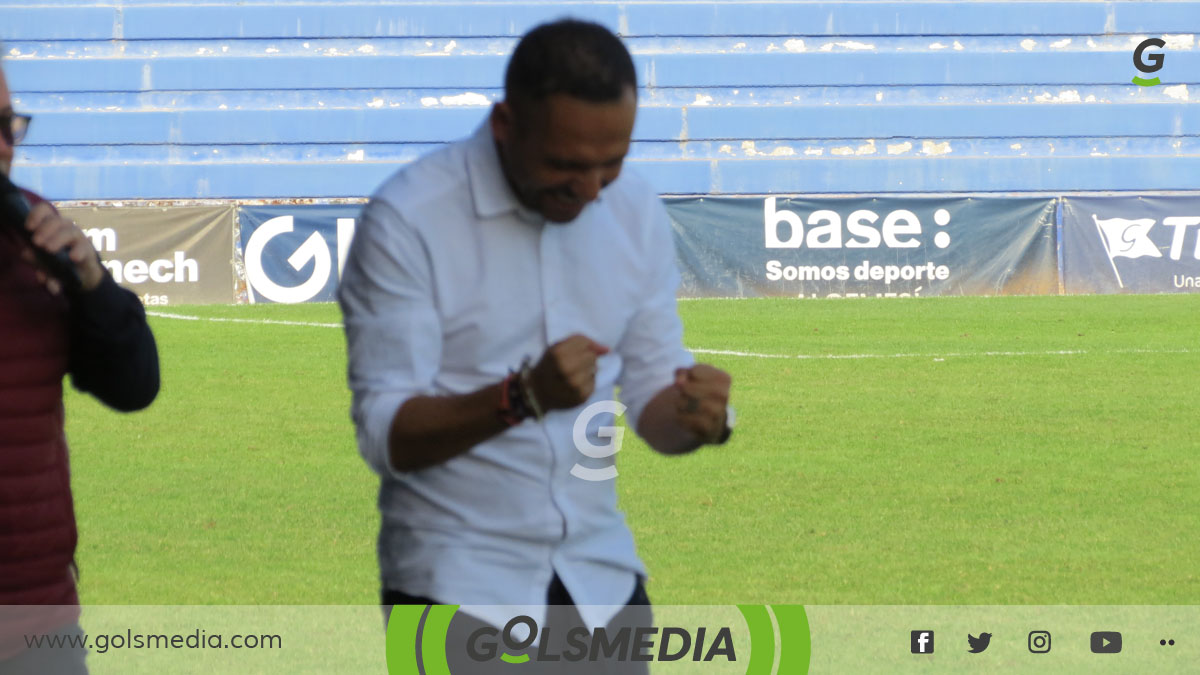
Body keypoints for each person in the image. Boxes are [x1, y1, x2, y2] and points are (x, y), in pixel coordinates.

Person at [338, 19, 734, 672]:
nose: (591, 189)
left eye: (613, 162)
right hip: (455, 591)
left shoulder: (633, 209)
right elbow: (386, 437)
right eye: (567, 166)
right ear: (505, 124)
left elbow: (652, 405)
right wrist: (520, 397)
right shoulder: (408, 219)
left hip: (602, 587)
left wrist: (696, 417)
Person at [0, 52, 159, 674]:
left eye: (10, 125)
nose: (6, 147)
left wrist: (92, 284)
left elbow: (134, 386)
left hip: (41, 626)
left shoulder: (35, 232)